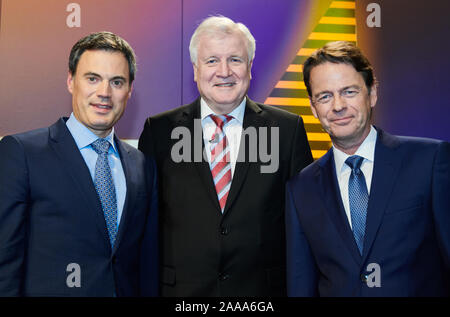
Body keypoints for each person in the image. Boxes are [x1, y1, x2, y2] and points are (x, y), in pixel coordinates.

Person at [138, 16, 313, 296]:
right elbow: (143, 227)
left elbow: (307, 228)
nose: (224, 71)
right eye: (211, 61)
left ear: (250, 67)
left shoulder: (287, 130)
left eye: (235, 59)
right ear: (195, 70)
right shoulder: (159, 132)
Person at [285, 41, 450, 296]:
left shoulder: (429, 161)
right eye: (325, 96)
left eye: (349, 91)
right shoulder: (300, 189)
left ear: (372, 93)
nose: (338, 105)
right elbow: (301, 285)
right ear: (313, 108)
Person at [0, 31, 158, 296]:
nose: (104, 92)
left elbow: (145, 265)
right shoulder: (22, 153)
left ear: (129, 91)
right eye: (92, 78)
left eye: (117, 82)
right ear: (71, 81)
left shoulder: (142, 166)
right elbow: (4, 262)